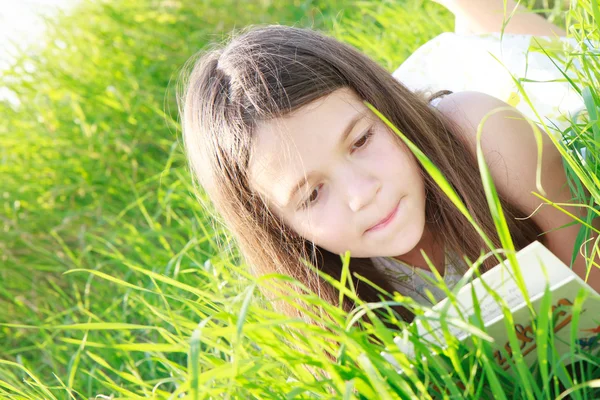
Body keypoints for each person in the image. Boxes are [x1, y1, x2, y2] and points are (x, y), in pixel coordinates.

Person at [177, 1, 599, 322]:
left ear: (385, 108)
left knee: (542, 54)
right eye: (312, 194)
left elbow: (591, 278)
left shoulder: (487, 134)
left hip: (498, 116)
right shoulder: (317, 287)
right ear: (278, 227)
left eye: (360, 141)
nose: (363, 195)